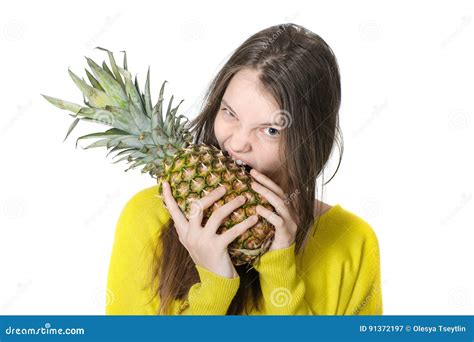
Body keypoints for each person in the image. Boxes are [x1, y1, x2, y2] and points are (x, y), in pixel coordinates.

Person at [106, 23, 383, 315]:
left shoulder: (352, 242)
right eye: (230, 113)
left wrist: (280, 274)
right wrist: (214, 286)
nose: (237, 143)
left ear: (311, 140)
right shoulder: (146, 218)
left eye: (271, 130)